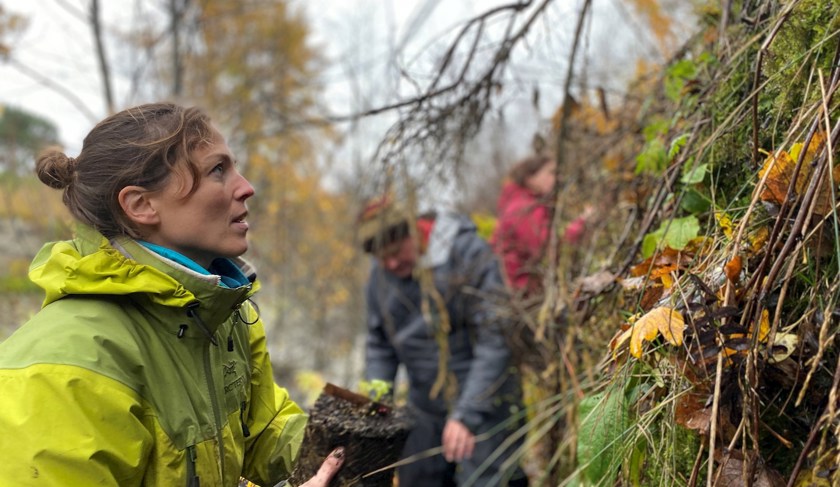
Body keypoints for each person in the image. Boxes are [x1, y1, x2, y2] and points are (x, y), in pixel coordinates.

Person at [0, 102, 343, 486]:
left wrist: (347, 452)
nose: (246, 188)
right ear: (141, 205)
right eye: (218, 170)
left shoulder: (219, 315)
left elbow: (263, 432)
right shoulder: (65, 367)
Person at [357, 195, 528, 486]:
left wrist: (466, 415)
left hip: (484, 401)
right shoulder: (381, 275)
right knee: (417, 477)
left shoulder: (467, 253)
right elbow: (380, 344)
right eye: (382, 259)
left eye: (397, 251)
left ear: (414, 229)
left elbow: (495, 338)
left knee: (486, 478)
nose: (392, 263)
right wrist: (377, 395)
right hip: (424, 407)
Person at [490, 153, 592, 295]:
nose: (556, 178)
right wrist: (582, 223)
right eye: (550, 173)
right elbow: (550, 252)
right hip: (520, 294)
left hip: (517, 291)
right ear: (530, 178)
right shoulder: (524, 209)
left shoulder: (519, 203)